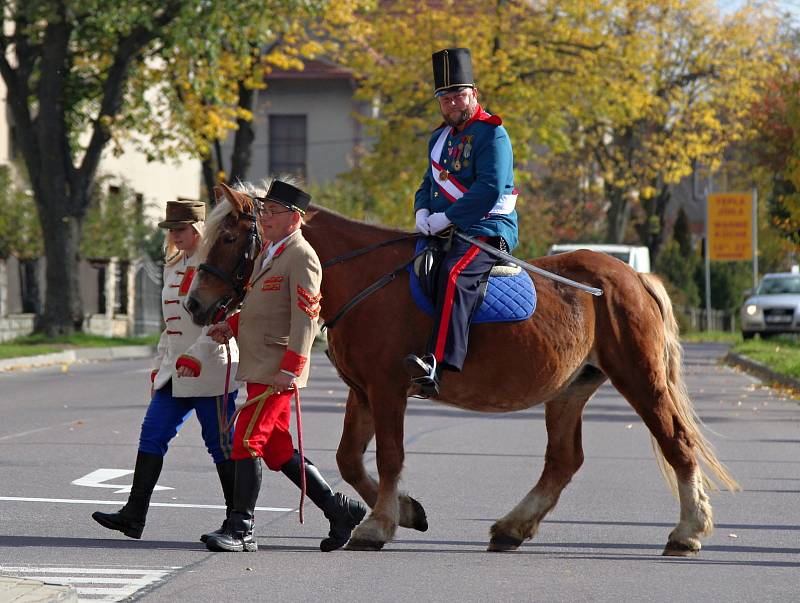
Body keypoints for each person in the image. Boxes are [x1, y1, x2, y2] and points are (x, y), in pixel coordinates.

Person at [203, 179, 366, 553]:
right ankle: (339, 511)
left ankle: (241, 529)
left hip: (278, 369)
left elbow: (306, 318)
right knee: (276, 451)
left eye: (272, 212)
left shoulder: (302, 255)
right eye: (263, 210)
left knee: (245, 439)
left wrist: (292, 368)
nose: (265, 218)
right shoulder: (271, 252)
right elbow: (264, 308)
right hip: (261, 366)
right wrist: (231, 325)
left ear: (294, 217)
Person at [92, 200, 240, 541]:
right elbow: (171, 324)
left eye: (180, 229)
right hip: (175, 370)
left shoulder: (215, 262)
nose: (173, 235)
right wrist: (161, 363)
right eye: (170, 230)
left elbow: (221, 319)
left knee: (220, 445)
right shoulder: (174, 264)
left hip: (210, 368)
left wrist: (197, 355)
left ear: (198, 229)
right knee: (152, 434)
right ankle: (134, 515)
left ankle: (237, 522)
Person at [404, 47, 519, 397]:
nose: (452, 103)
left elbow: (489, 188)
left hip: (486, 230)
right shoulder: (438, 139)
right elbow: (427, 184)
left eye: (458, 95)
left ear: (473, 94)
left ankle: (440, 362)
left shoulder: (492, 133)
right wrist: (422, 212)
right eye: (445, 97)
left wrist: (447, 218)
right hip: (444, 226)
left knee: (456, 274)